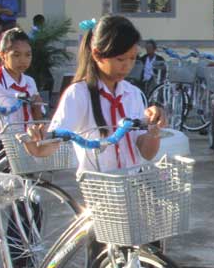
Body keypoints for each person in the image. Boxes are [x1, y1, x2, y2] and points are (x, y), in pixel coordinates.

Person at [28, 16, 165, 174]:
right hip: (98, 185)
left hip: (132, 184)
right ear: (97, 54)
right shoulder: (79, 94)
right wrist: (37, 143)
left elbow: (147, 153)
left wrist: (154, 130)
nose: (127, 66)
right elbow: (54, 139)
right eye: (120, 59)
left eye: (133, 58)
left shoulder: (132, 93)